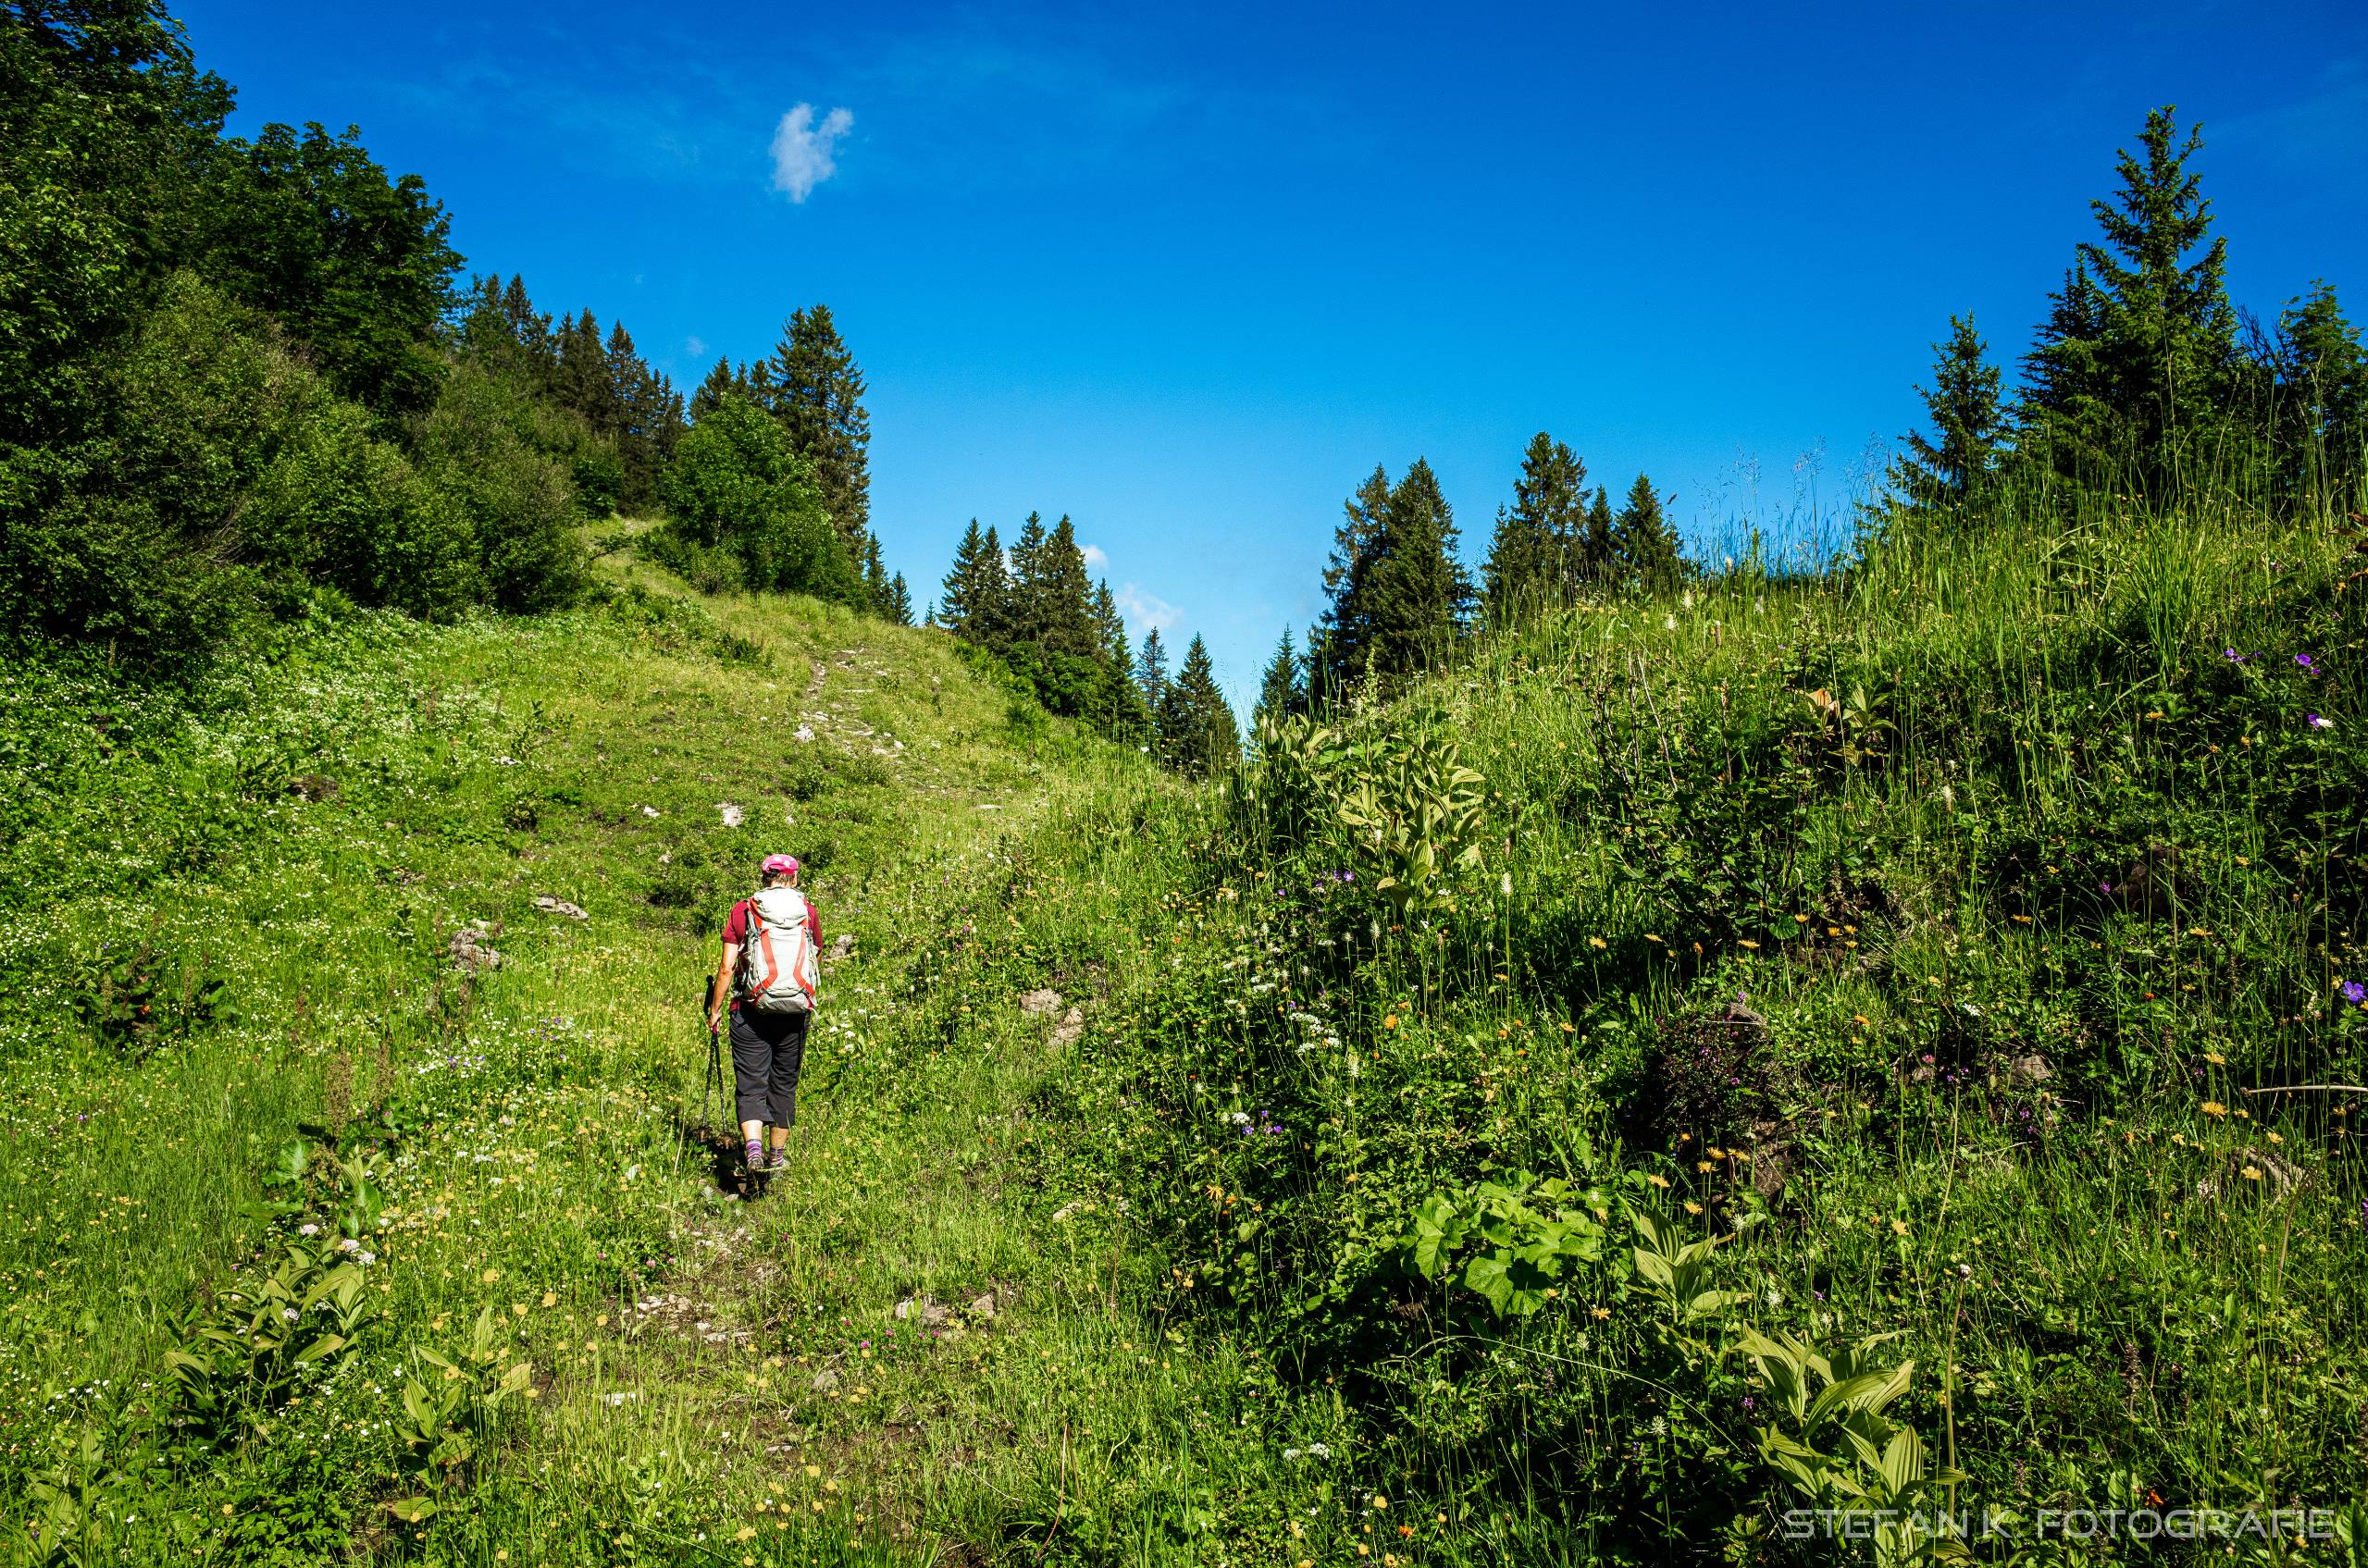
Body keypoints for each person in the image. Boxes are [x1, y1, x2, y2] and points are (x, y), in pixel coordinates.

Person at [709, 853, 821, 1173]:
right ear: (794, 879)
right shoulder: (807, 912)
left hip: (750, 1010)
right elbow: (815, 961)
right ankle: (777, 1157)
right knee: (784, 1085)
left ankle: (753, 1152)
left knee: (751, 1083)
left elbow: (727, 967)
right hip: (794, 1013)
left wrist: (715, 1010)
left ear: (764, 878)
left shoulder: (744, 910)